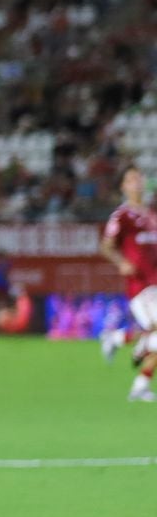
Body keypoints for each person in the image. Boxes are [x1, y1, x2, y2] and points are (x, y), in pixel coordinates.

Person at [98, 167, 157, 401]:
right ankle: (135, 350)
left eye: (139, 178)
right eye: (131, 179)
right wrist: (121, 262)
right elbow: (106, 246)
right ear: (123, 187)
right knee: (155, 334)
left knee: (154, 336)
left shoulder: (152, 214)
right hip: (140, 286)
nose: (137, 182)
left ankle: (119, 341)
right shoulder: (121, 215)